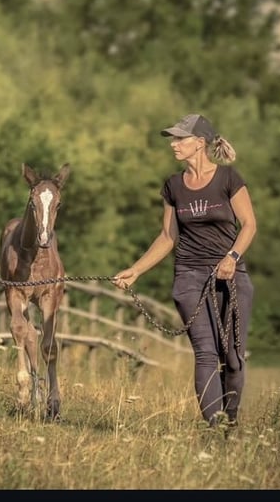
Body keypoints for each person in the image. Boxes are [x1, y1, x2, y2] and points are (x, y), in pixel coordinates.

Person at [113, 113, 257, 428]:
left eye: (180, 138)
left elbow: (249, 225)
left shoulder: (228, 179)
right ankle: (215, 427)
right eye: (173, 139)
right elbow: (168, 237)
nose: (174, 144)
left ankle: (230, 422)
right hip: (189, 275)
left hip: (230, 275)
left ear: (199, 143)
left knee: (233, 358)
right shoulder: (174, 186)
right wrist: (136, 270)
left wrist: (232, 257)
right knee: (206, 352)